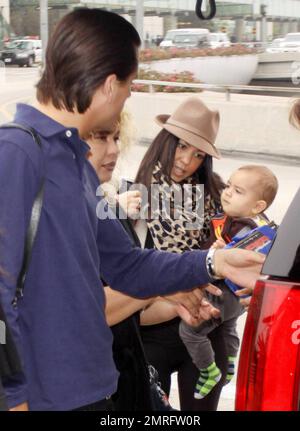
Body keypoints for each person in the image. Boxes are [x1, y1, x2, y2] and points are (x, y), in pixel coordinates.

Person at [0, 10, 264, 411]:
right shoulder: (15, 154)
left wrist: (216, 261)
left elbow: (129, 266)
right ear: (109, 85)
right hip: (46, 400)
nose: (128, 96)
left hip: (97, 389)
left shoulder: (74, 163)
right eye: (129, 85)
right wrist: (13, 396)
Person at [126, 96, 231, 410]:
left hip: (205, 331)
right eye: (182, 146)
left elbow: (231, 271)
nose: (186, 161)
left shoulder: (216, 196)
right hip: (150, 334)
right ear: (165, 141)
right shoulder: (131, 196)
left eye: (198, 154)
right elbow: (123, 279)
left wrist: (226, 255)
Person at [180, 164, 279, 400]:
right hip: (236, 299)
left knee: (190, 330)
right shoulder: (237, 221)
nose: (227, 192)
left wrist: (220, 251)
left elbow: (221, 260)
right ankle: (231, 361)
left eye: (238, 191)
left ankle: (208, 370)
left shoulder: (246, 230)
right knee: (228, 327)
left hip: (225, 292)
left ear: (257, 206)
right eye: (228, 186)